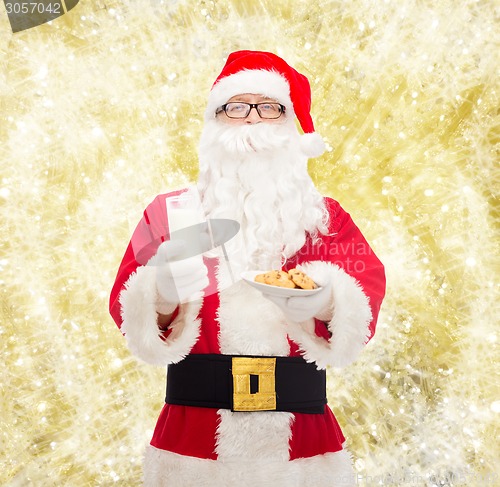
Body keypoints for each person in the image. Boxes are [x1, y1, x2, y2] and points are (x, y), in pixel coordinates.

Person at [109, 50, 386, 487]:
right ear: (214, 122)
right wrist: (161, 291)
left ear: (290, 125)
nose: (253, 120)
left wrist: (324, 298)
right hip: (192, 444)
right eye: (237, 108)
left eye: (269, 107)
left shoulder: (326, 219)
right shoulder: (167, 213)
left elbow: (363, 301)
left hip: (302, 447)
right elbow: (129, 313)